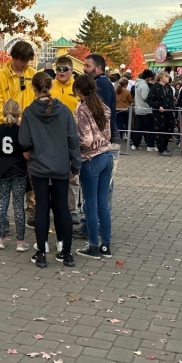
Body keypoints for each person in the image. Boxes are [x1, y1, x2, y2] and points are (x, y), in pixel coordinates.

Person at [18, 72, 81, 268]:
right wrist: (75, 165)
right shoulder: (63, 111)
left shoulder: (29, 112)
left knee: (42, 208)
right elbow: (73, 139)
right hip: (61, 165)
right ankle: (67, 253)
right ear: (51, 87)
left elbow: (24, 141)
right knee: (62, 207)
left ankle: (41, 253)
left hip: (38, 166)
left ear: (34, 89)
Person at [72, 74, 114, 259]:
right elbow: (108, 134)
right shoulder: (103, 107)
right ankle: (106, 244)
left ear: (79, 90)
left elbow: (86, 139)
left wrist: (75, 144)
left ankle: (93, 246)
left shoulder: (83, 108)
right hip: (107, 156)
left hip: (91, 159)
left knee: (90, 204)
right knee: (103, 203)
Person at [0, 99, 30, 252]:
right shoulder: (22, 131)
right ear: (19, 114)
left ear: (3, 112)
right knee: (18, 205)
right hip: (19, 170)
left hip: (2, 170)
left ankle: (1, 238)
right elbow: (26, 155)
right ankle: (20, 242)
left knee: (2, 204)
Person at [49, 56, 83, 243]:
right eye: (59, 68)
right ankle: (47, 207)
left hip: (72, 137)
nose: (62, 71)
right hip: (51, 138)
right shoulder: (50, 86)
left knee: (72, 175)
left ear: (72, 70)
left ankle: (72, 209)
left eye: (65, 68)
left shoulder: (77, 88)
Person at [0, 41, 37, 130]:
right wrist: (14, 120)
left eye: (27, 60)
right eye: (22, 60)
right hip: (5, 127)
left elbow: (38, 100)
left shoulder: (34, 75)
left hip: (28, 126)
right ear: (14, 57)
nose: (25, 63)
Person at [148, 72, 176, 156]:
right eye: (166, 77)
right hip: (159, 113)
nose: (168, 78)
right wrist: (157, 107)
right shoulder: (155, 88)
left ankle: (165, 146)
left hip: (169, 111)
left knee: (169, 129)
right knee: (160, 129)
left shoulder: (169, 88)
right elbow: (149, 100)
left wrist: (173, 110)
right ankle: (161, 148)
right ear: (161, 78)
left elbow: (171, 100)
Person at [130, 70, 156, 150]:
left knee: (138, 128)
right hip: (145, 109)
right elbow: (145, 97)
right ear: (148, 77)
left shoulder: (137, 84)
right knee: (150, 128)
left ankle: (135, 144)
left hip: (139, 109)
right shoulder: (144, 86)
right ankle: (150, 145)